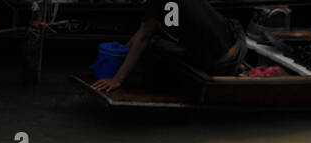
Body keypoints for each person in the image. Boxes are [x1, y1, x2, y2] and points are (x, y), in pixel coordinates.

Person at [92, 0, 246, 92]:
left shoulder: (156, 3)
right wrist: (121, 52)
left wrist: (117, 79)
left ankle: (163, 87)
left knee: (152, 46)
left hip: (221, 65)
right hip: (238, 43)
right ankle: (236, 65)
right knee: (163, 32)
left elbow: (144, 37)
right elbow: (144, 32)